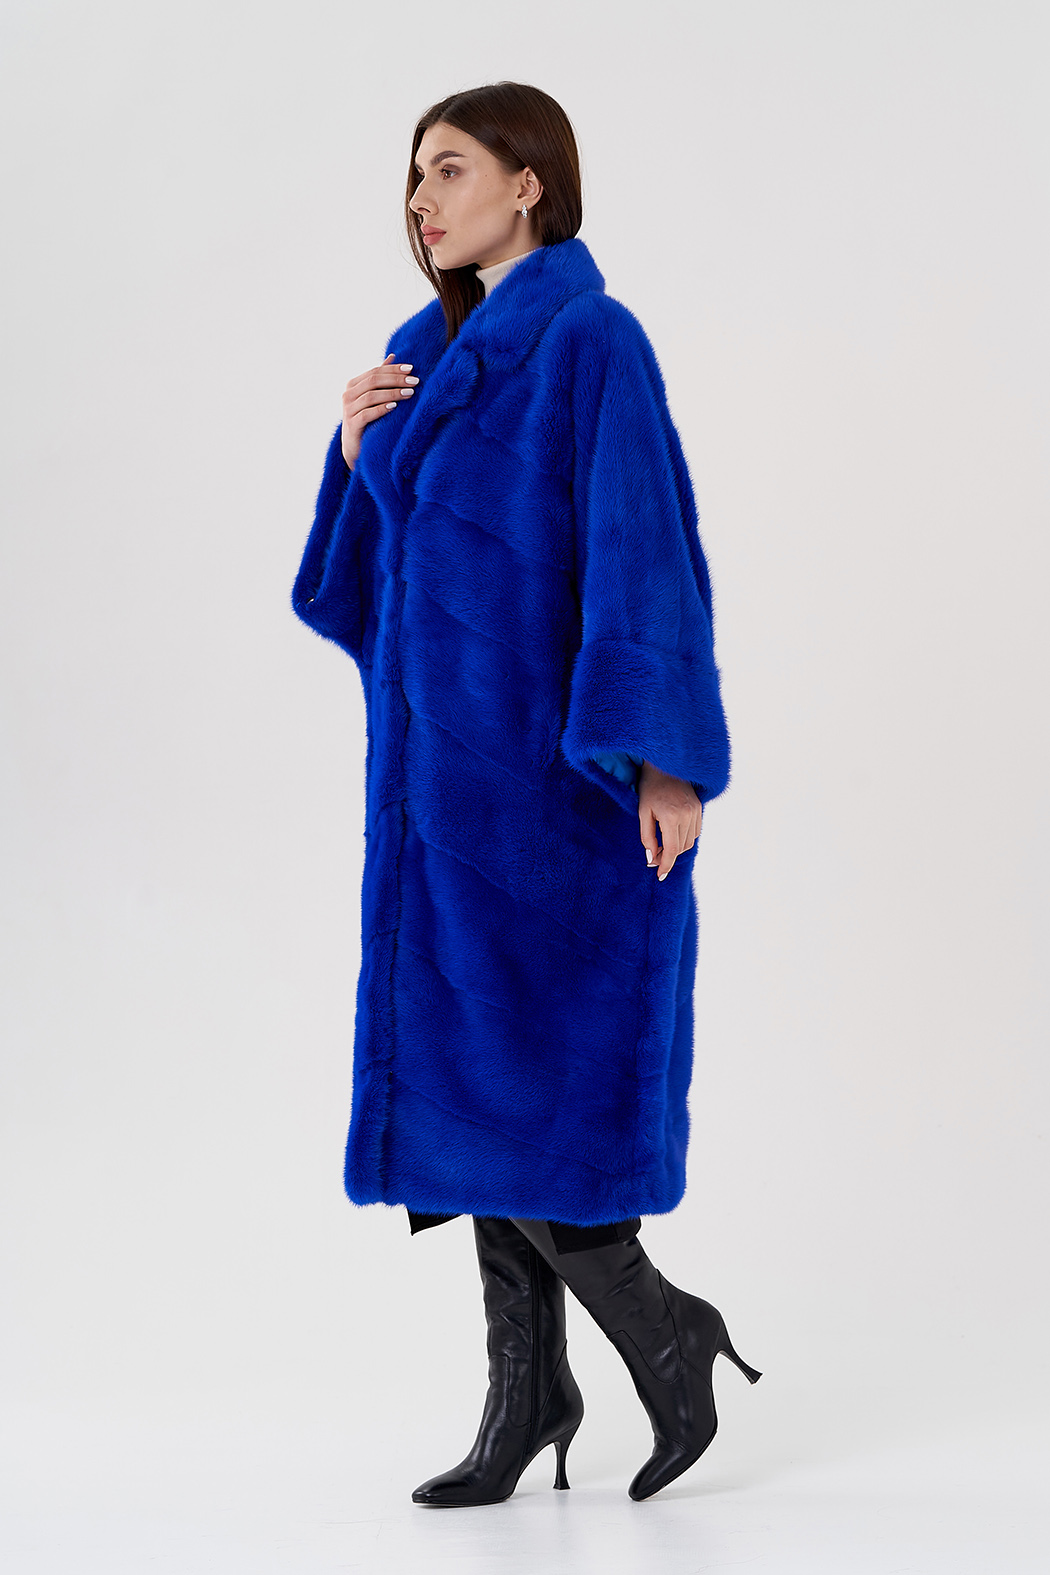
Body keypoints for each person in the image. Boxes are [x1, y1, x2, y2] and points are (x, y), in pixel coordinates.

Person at [292, 80, 760, 1507]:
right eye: (413, 176)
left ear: (529, 184)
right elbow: (367, 598)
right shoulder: (415, 355)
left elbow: (644, 548)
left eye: (450, 169)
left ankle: (665, 1334)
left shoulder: (589, 340)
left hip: (557, 796)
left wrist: (665, 758)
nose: (422, 200)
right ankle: (525, 1397)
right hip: (437, 805)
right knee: (468, 1095)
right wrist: (358, 456)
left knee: (545, 1087)